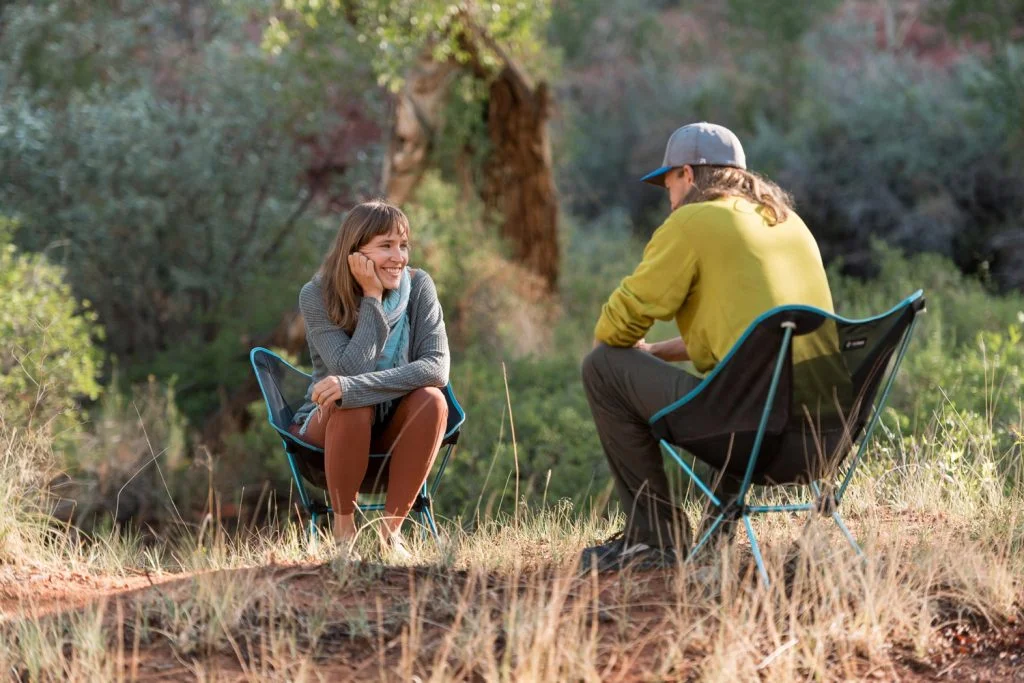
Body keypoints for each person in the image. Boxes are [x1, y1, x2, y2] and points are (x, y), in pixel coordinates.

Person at [579, 122, 846, 571]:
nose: (669, 198)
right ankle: (713, 536)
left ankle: (654, 540)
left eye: (668, 185)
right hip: (825, 435)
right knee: (739, 382)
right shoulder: (789, 223)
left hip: (752, 435)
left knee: (602, 367)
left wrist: (625, 350)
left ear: (686, 174)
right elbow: (752, 337)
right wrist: (658, 353)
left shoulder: (694, 220)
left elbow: (616, 328)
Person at [290, 199, 449, 559]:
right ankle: (343, 533)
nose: (399, 257)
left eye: (403, 244)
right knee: (350, 403)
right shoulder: (316, 295)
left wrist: (354, 388)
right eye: (385, 246)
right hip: (328, 434)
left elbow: (436, 368)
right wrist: (373, 299)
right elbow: (348, 371)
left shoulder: (419, 287)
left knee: (432, 399)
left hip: (395, 433)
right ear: (355, 253)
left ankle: (389, 534)